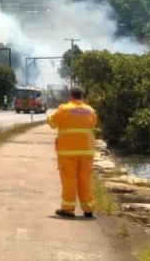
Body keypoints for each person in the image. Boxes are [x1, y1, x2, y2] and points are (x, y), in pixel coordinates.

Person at [48, 86, 98, 218]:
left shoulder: (64, 109)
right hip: (86, 152)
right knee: (85, 179)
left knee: (69, 180)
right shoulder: (90, 110)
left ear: (70, 96)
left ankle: (68, 209)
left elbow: (52, 123)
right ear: (82, 96)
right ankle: (88, 209)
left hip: (68, 152)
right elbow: (93, 125)